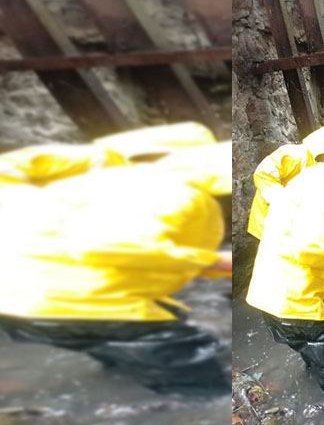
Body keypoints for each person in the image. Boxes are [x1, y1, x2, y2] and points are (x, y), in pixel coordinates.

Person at [0, 133, 232, 393]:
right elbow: (100, 247)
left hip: (16, 295)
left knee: (147, 327)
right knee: (195, 374)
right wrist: (214, 261)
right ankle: (199, 409)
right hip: (63, 298)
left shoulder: (111, 179)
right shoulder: (179, 197)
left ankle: (124, 372)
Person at [246, 138, 324, 399]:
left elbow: (303, 245)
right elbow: (307, 247)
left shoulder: (298, 185)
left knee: (307, 351)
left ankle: (315, 385)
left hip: (267, 299)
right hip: (298, 303)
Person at [247, 122, 324, 240]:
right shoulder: (295, 155)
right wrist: (284, 202)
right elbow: (262, 173)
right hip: (267, 219)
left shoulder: (315, 163)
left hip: (286, 225)